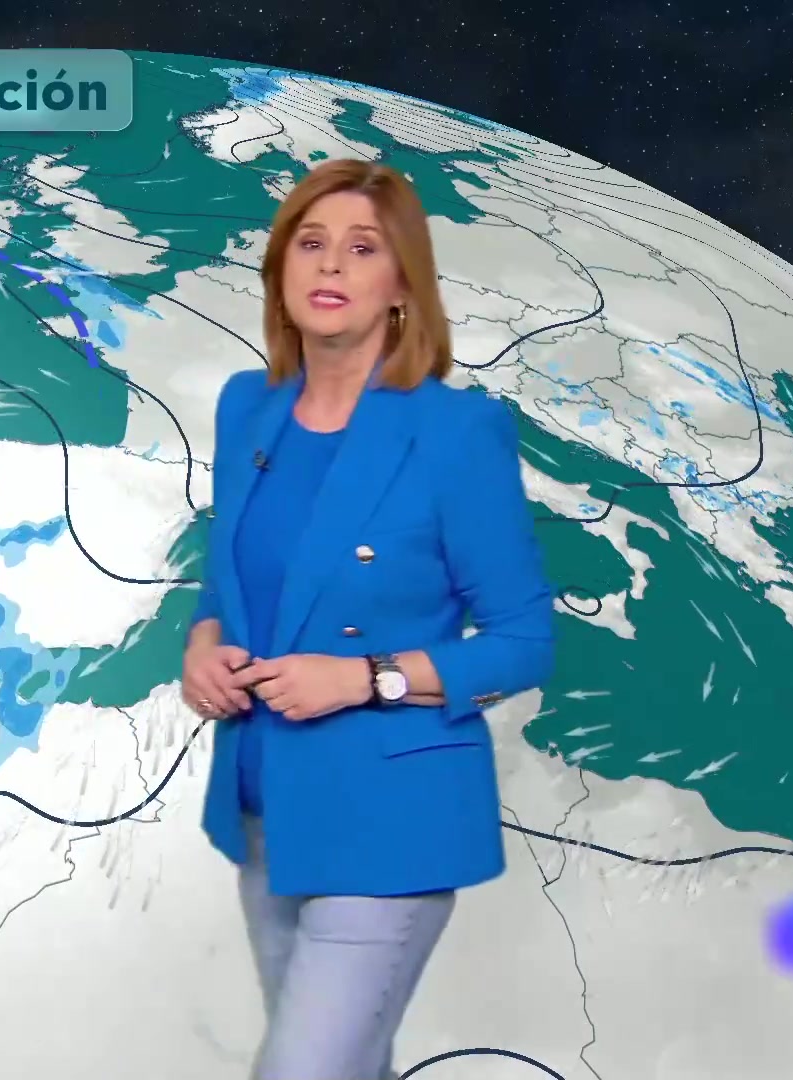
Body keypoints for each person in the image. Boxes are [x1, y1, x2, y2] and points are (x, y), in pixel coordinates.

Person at [180, 158, 556, 1079]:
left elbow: (524, 641)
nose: (330, 265)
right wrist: (202, 643)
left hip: (391, 826)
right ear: (280, 268)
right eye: (311, 243)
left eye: (362, 248)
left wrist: (365, 678)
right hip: (267, 815)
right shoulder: (247, 408)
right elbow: (234, 577)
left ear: (402, 283)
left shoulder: (455, 433)